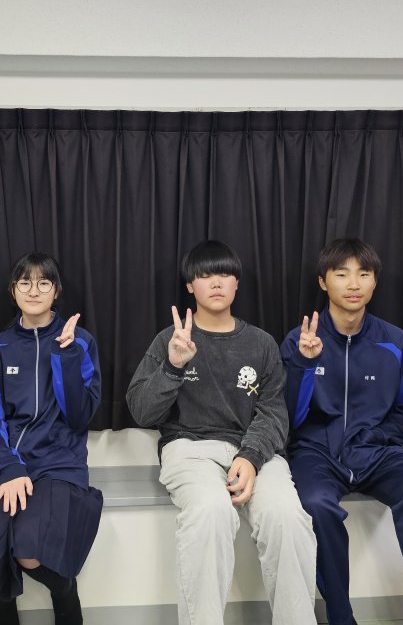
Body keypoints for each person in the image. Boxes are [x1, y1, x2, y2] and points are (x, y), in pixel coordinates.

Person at [127, 239, 317, 625]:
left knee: (287, 518)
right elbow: (142, 411)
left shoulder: (261, 343)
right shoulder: (170, 339)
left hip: (256, 452)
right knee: (210, 514)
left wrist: (251, 456)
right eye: (205, 275)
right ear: (190, 285)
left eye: (225, 274)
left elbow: (273, 412)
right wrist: (173, 367)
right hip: (189, 450)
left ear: (237, 283)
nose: (216, 282)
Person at [282, 238, 403, 625]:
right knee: (315, 505)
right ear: (323, 282)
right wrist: (304, 364)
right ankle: (341, 617)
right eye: (341, 274)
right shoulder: (300, 339)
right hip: (316, 453)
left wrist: (375, 436)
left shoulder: (394, 341)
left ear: (375, 282)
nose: (354, 284)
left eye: (364, 274)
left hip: (378, 453)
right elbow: (289, 417)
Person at [0, 252, 103, 625]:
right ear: (13, 291)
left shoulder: (81, 341)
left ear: (56, 291)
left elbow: (79, 416)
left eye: (43, 282)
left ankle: (66, 595)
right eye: (25, 282)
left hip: (59, 463)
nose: (34, 290)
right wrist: (9, 467)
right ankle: (5, 611)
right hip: (6, 461)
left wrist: (66, 356)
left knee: (30, 552)